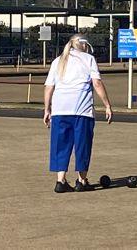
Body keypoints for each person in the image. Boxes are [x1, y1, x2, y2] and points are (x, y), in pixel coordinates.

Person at [43, 34, 113, 193]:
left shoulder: (58, 61)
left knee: (60, 145)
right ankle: (81, 180)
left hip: (60, 110)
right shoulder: (88, 59)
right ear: (84, 45)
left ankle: (60, 181)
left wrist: (47, 109)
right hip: (82, 110)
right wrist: (107, 105)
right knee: (83, 145)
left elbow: (48, 87)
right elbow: (97, 83)